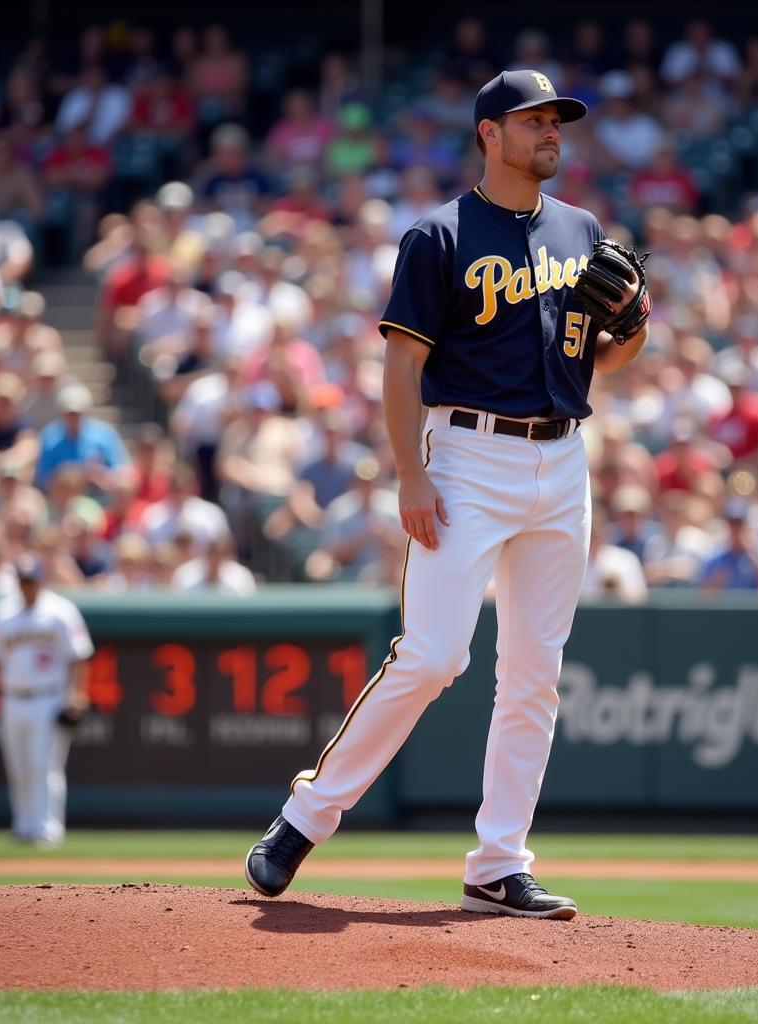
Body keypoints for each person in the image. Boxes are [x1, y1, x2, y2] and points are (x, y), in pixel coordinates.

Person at [245, 69, 649, 920]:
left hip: (563, 457)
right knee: (433, 655)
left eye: (556, 120)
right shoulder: (437, 236)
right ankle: (304, 817)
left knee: (536, 672)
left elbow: (599, 361)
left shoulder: (582, 228)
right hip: (466, 453)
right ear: (488, 135)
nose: (551, 131)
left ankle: (499, 863)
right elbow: (402, 366)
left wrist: (636, 328)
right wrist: (412, 473)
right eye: (532, 119)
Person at [0, 554, 93, 845]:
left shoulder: (60, 611)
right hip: (11, 698)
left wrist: (77, 694)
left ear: (41, 580)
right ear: (17, 581)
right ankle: (23, 825)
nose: (27, 586)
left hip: (48, 697)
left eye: (32, 580)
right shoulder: (2, 612)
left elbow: (80, 656)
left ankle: (47, 828)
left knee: (44, 763)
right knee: (18, 765)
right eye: (23, 580)